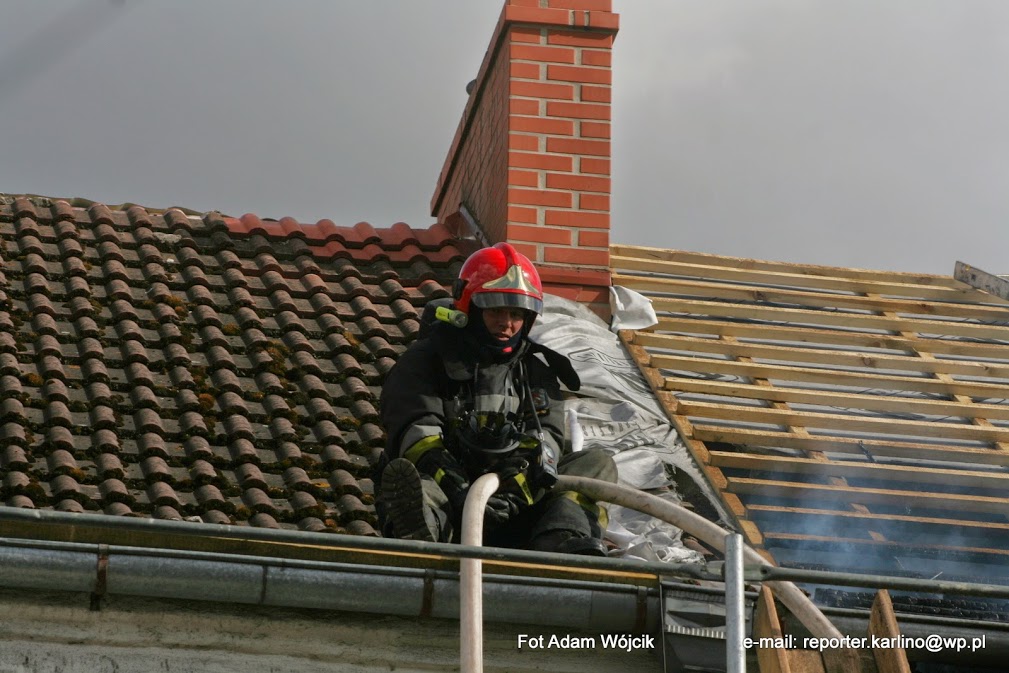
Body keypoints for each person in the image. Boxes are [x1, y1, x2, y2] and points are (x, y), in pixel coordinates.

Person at [377, 242, 618, 556]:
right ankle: (420, 538)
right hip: (450, 506)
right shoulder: (426, 361)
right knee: (414, 482)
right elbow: (417, 436)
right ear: (471, 308)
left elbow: (547, 440)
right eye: (496, 309)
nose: (508, 322)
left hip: (517, 509)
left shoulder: (536, 372)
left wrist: (513, 494)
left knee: (595, 464)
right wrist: (461, 492)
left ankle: (560, 539)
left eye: (517, 312)